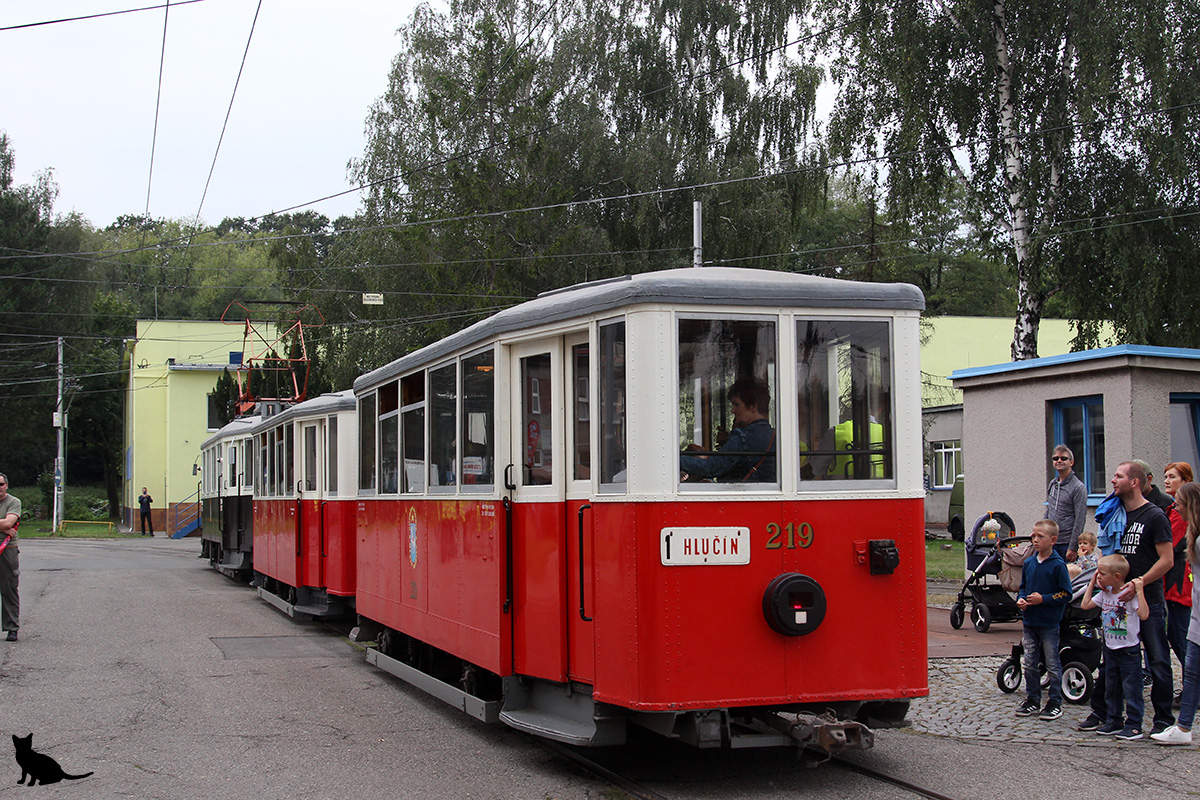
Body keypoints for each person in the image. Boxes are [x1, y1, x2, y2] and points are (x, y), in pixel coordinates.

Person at [1079, 461, 1177, 733]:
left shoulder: (1154, 516)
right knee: (1111, 659)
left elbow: (1167, 560)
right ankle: (1106, 714)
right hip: (1116, 603)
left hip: (1148, 600)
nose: (1112, 480)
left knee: (1157, 660)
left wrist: (1140, 583)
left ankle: (1162, 721)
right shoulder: (1115, 513)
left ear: (1134, 482)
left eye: (1118, 476)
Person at [1082, 554, 1151, 739]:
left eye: (1102, 574)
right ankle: (1114, 720)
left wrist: (1140, 591)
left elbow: (1144, 615)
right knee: (1111, 687)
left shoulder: (1128, 595)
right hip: (1110, 648)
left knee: (1131, 688)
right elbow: (1085, 604)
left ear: (1117, 576)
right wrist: (1091, 583)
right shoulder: (1105, 594)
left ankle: (1135, 724)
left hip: (1128, 649)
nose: (1099, 576)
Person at [1152, 480, 1200, 745]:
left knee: (1193, 672)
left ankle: (1183, 727)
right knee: (1191, 673)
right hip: (1197, 617)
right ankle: (1183, 727)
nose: (1175, 507)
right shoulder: (1193, 535)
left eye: (1179, 503)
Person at [1014, 519, 1073, 720]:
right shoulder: (1029, 562)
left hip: (1049, 623)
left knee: (1052, 663)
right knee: (1030, 662)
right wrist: (1021, 599)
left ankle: (1055, 701)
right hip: (1030, 621)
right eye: (1033, 536)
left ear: (1053, 540)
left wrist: (1043, 600)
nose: (1035, 540)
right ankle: (1032, 699)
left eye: (1040, 536)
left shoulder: (1058, 565)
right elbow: (1023, 586)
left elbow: (1066, 594)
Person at [680, 380, 775, 483]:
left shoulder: (742, 436)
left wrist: (676, 458)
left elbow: (711, 467)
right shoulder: (775, 436)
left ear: (753, 406)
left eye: (737, 405)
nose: (732, 410)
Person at [1163, 462, 1194, 676]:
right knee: (1176, 633)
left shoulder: (1182, 512)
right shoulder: (1173, 509)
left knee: (1180, 634)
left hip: (1180, 581)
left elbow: (1169, 542)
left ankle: (1194, 684)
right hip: (1174, 580)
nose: (1167, 480)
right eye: (1166, 476)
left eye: (1172, 477)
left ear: (1185, 481)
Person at [1045, 445, 1087, 562]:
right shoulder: (1052, 484)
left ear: (1071, 462)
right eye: (1055, 458)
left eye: (1063, 458)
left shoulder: (1078, 487)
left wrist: (1073, 547)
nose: (1059, 461)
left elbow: (1080, 518)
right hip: (1051, 542)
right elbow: (1049, 511)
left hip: (1066, 544)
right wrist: (1042, 534)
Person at [0, 473, 20, 642]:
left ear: (6, 485)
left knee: (9, 588)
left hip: (7, 549)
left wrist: (6, 527)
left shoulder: (13, 502)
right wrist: (4, 526)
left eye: (0, 484)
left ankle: (12, 627)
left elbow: (9, 523)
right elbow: (5, 524)